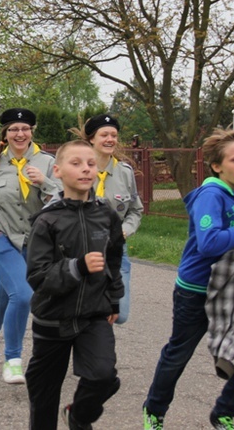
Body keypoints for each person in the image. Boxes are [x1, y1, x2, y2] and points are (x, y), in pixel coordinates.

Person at [143, 129, 234, 430]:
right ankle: (154, 412)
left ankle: (223, 412)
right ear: (217, 166)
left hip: (233, 291)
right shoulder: (211, 195)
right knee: (179, 354)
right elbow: (208, 243)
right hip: (197, 290)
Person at [24, 139, 124, 430]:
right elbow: (37, 276)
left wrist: (114, 298)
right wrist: (77, 267)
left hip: (94, 314)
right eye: (76, 164)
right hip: (52, 317)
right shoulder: (47, 221)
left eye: (91, 164)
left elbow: (115, 257)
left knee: (104, 376)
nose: (85, 170)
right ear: (57, 171)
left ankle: (78, 415)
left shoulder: (106, 215)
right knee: (44, 395)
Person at [0, 107, 61, 384]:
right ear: (5, 134)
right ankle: (12, 359)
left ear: (32, 132)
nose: (19, 134)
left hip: (35, 242)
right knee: (22, 294)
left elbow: (66, 195)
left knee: (6, 293)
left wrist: (44, 181)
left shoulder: (48, 162)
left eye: (24, 128)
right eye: (13, 129)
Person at [76, 114, 143, 324]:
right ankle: (95, 350)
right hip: (82, 247)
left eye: (113, 135)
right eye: (104, 134)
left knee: (120, 315)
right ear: (91, 139)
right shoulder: (78, 170)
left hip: (115, 250)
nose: (110, 139)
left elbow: (135, 210)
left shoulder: (124, 172)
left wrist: (124, 230)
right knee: (85, 310)